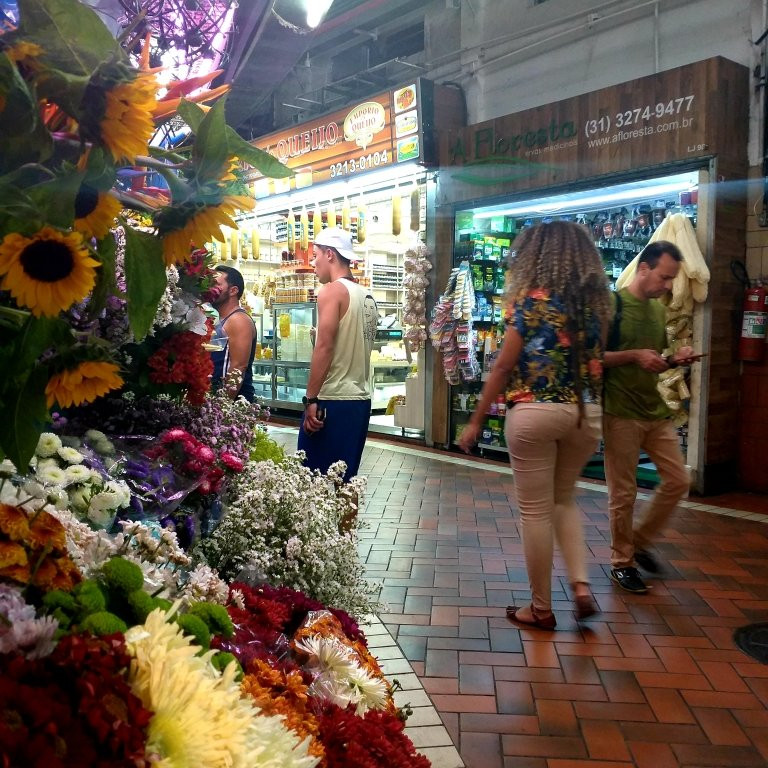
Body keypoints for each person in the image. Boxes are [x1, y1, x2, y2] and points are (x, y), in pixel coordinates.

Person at [459, 221, 611, 629]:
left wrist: (476, 420)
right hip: (585, 413)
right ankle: (580, 586)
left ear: (535, 256)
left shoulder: (530, 304)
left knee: (535, 513)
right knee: (564, 500)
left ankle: (541, 608)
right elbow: (596, 363)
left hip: (535, 412)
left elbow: (504, 365)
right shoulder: (597, 308)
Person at [603, 241, 699, 594]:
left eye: (672, 279)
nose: (668, 286)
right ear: (643, 269)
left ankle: (638, 542)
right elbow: (594, 358)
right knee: (623, 493)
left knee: (678, 480)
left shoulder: (659, 312)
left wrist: (676, 359)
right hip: (620, 412)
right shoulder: (613, 305)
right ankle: (622, 561)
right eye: (664, 277)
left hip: (654, 410)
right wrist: (633, 356)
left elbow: (654, 359)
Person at [298, 227, 378, 483]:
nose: (313, 263)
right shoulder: (366, 295)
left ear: (330, 254)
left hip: (331, 400)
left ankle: (325, 526)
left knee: (313, 482)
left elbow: (325, 347)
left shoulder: (331, 291)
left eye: (316, 255)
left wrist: (310, 399)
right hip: (360, 400)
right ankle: (345, 526)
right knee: (346, 481)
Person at [210, 265, 257, 401]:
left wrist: (221, 407)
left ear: (233, 290)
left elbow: (238, 366)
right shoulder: (223, 319)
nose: (209, 288)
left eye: (216, 284)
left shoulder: (238, 320)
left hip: (232, 403)